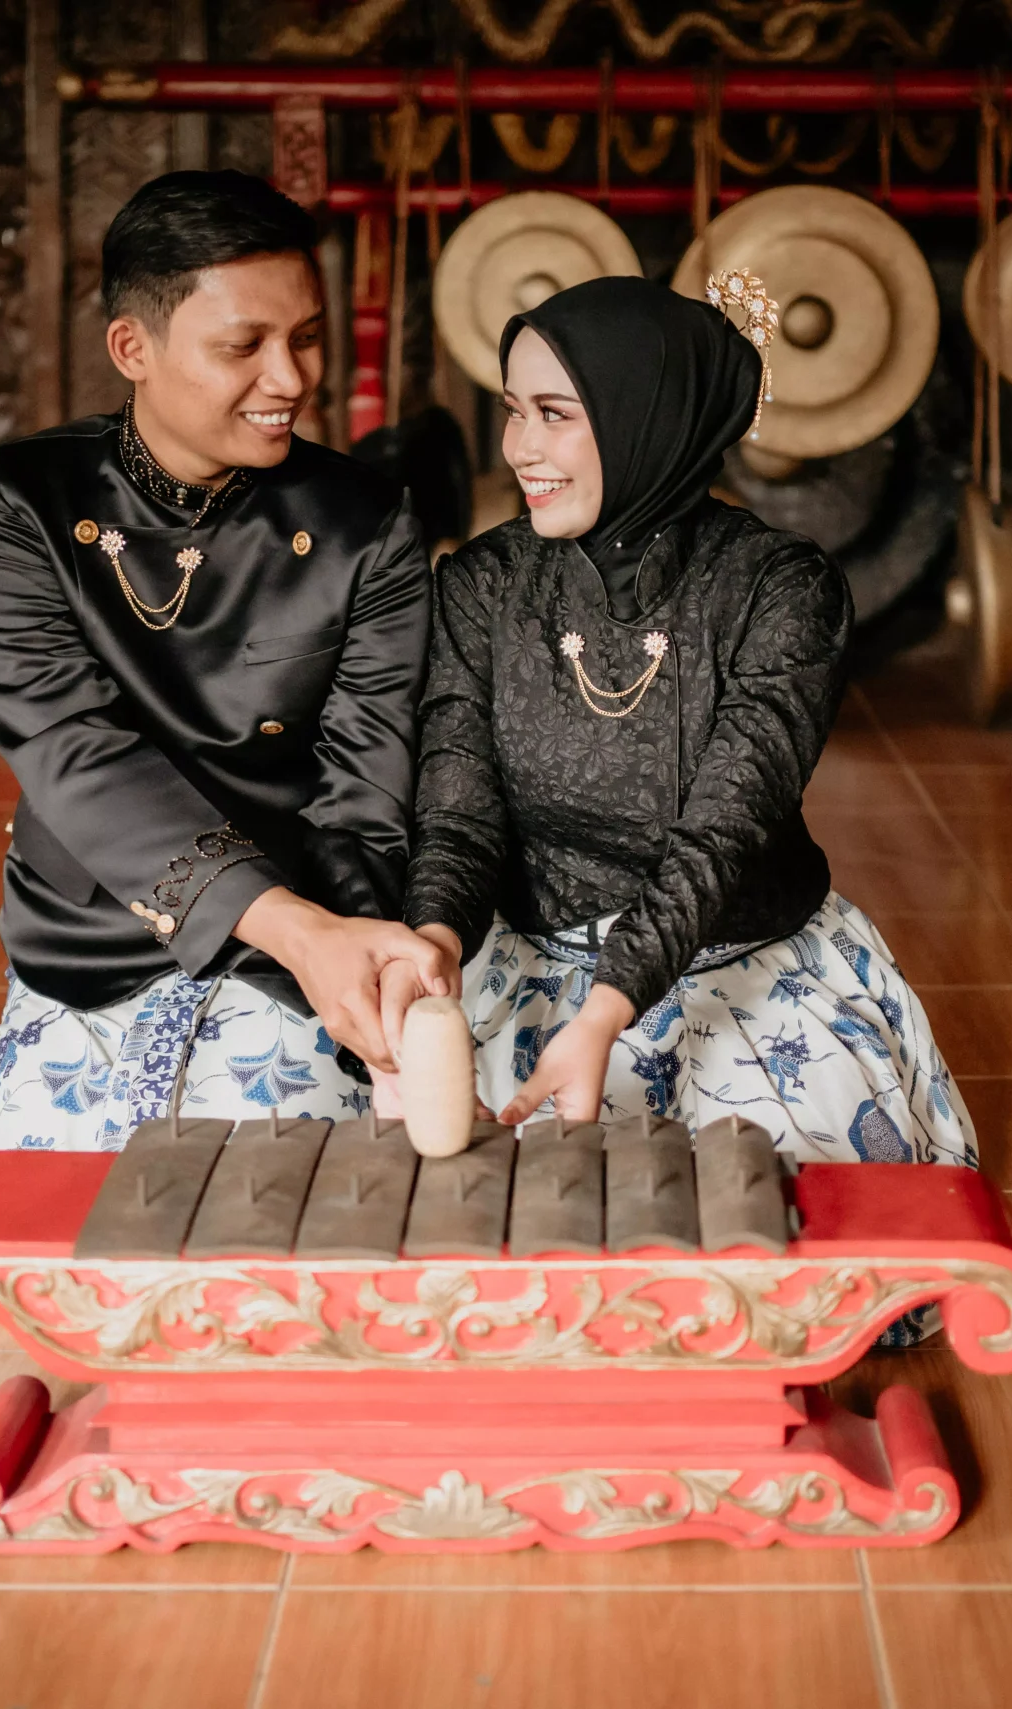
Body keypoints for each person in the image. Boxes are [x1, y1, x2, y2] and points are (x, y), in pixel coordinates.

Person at [380, 272, 976, 1171]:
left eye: (555, 414)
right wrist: (434, 939)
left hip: (735, 958)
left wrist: (606, 1012)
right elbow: (459, 815)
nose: (519, 447)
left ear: (647, 419)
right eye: (513, 411)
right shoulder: (484, 584)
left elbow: (722, 831)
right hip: (533, 951)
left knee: (763, 1202)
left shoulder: (782, 590)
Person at [0, 170, 451, 1152]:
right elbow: (70, 751)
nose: (291, 379)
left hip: (303, 933)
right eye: (243, 346)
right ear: (131, 348)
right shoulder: (16, 504)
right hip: (93, 931)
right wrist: (297, 929)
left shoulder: (365, 523)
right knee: (40, 1204)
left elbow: (365, 787)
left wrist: (363, 956)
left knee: (285, 1188)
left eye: (306, 336)